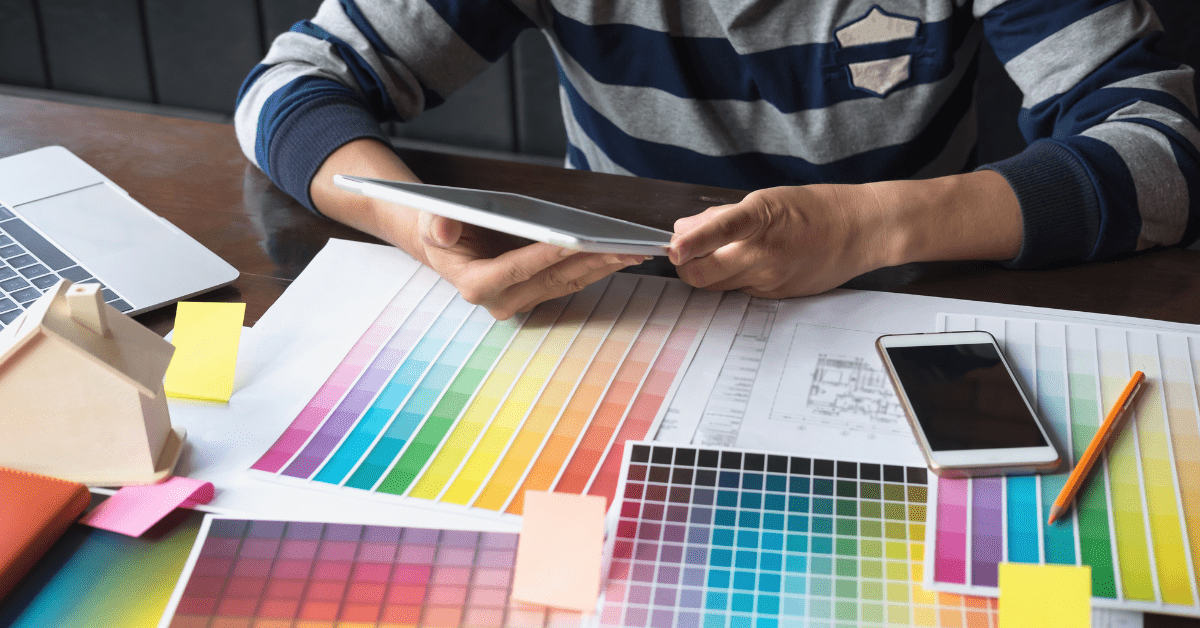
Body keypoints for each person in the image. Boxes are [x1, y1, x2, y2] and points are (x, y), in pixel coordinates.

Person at [235, 0, 1199, 319]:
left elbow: (1167, 147)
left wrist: (870, 225)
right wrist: (419, 224)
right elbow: (291, 88)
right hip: (615, 314)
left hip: (905, 307)